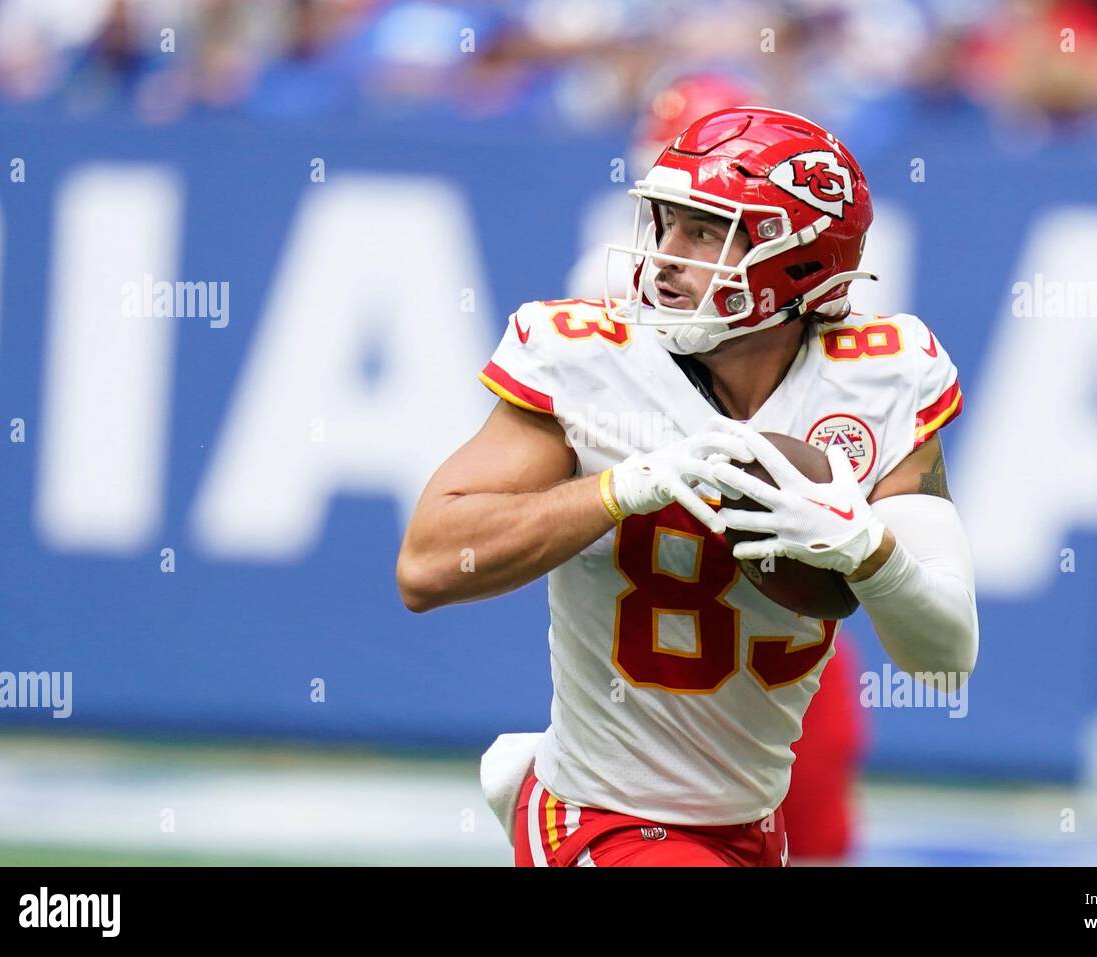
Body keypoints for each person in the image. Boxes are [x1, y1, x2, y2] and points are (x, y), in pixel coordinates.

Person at [397, 107, 978, 867]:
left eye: (704, 231)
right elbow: (427, 565)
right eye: (665, 223)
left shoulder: (882, 378)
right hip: (603, 813)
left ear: (797, 260)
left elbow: (947, 653)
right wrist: (622, 487)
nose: (665, 256)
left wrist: (871, 552)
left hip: (751, 825)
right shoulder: (593, 363)